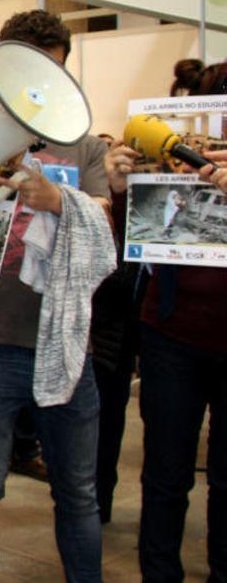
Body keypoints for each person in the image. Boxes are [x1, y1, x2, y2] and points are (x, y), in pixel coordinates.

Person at [0, 10, 111, 583]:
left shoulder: (85, 147)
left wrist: (61, 202)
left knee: (78, 494)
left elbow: (106, 230)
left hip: (64, 344)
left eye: (55, 72)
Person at [104, 60, 227, 582]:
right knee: (164, 471)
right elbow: (133, 245)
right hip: (168, 331)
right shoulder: (171, 155)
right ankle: (159, 572)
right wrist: (118, 188)